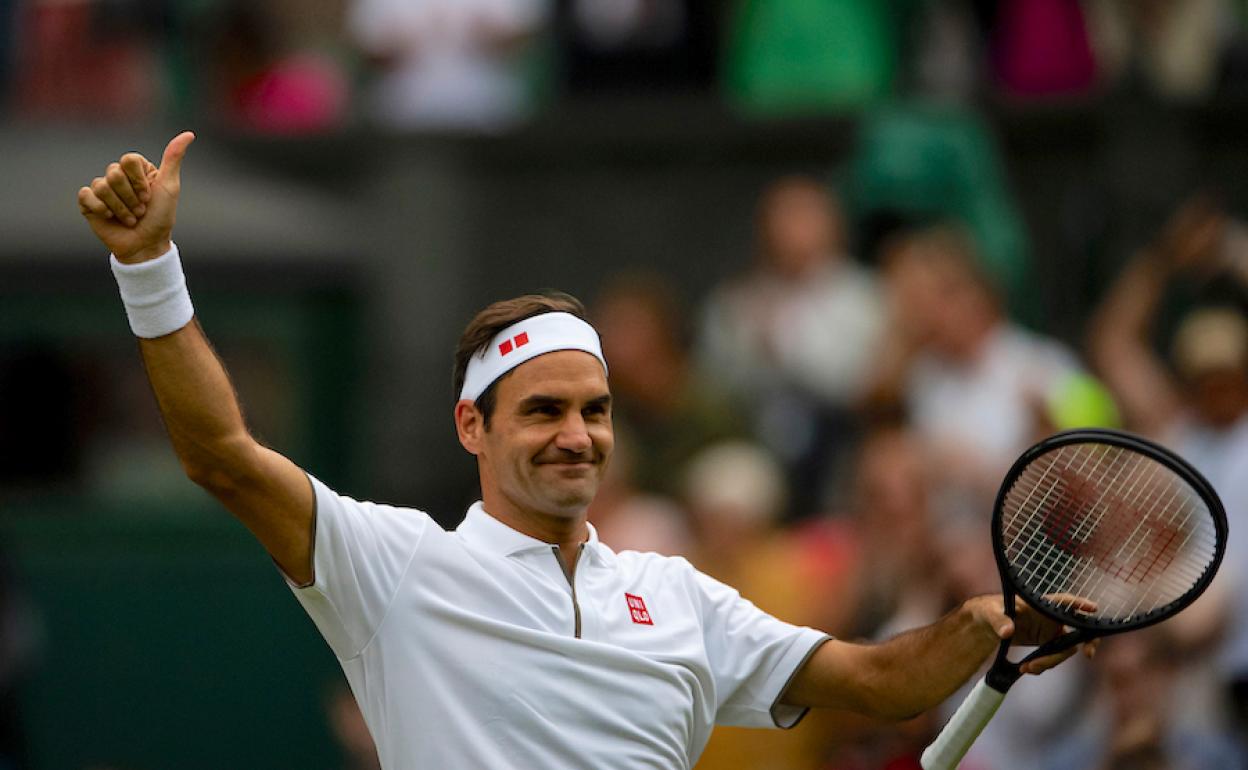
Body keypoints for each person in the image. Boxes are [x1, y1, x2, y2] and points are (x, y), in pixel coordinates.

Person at [76, 133, 1094, 770]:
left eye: (596, 410)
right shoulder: (395, 566)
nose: (577, 435)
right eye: (543, 411)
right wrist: (149, 265)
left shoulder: (681, 596)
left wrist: (981, 626)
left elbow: (877, 680)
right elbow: (221, 455)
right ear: (472, 427)